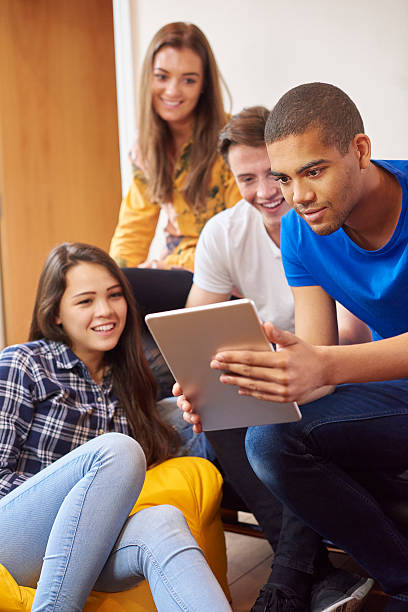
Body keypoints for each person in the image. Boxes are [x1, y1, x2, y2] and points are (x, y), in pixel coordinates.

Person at [200, 83, 408, 611]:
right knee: (268, 441)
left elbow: (329, 362)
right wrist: (236, 382)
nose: (297, 196)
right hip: (396, 395)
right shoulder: (301, 231)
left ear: (360, 150)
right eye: (285, 178)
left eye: (313, 171)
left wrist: (323, 365)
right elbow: (317, 355)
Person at [0, 242, 232, 612]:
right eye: (85, 301)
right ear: (56, 313)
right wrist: (77, 505)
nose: (106, 311)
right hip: (12, 531)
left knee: (163, 521)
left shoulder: (127, 383)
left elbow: (171, 433)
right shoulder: (22, 364)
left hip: (85, 544)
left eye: (114, 295)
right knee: (118, 450)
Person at [109, 21, 240, 271]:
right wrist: (114, 279)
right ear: (149, 77)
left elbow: (242, 231)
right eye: (161, 76)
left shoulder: (233, 141)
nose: (172, 91)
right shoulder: (144, 148)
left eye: (188, 80)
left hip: (225, 270)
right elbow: (132, 229)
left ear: (204, 86)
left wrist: (167, 265)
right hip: (173, 271)